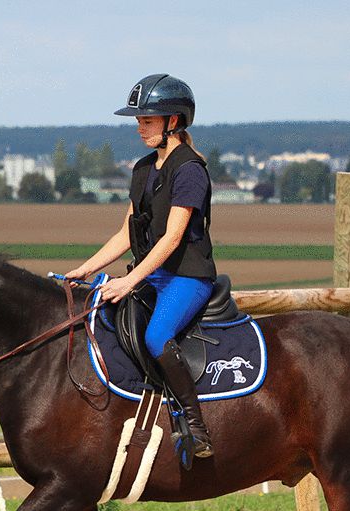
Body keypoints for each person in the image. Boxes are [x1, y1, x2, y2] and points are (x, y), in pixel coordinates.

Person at [65, 74, 217, 458]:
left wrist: (129, 280)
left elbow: (172, 238)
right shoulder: (143, 169)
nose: (139, 128)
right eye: (138, 121)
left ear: (173, 121)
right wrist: (85, 269)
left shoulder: (190, 170)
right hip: (154, 273)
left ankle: (196, 426)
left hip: (186, 276)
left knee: (156, 335)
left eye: (147, 121)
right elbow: (125, 234)